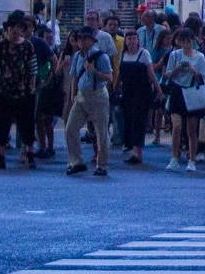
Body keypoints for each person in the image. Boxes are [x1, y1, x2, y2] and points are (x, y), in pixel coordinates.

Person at [0, 11, 41, 170]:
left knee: (27, 124)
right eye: (12, 28)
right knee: (1, 124)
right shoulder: (0, 46)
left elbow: (33, 68)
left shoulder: (27, 46)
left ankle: (30, 153)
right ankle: (0, 155)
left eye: (18, 28)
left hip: (24, 91)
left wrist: (31, 85)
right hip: (4, 91)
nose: (14, 31)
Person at [61, 24, 112, 177]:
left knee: (101, 131)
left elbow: (109, 78)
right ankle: (76, 161)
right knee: (70, 128)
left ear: (92, 40)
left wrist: (94, 71)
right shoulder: (77, 56)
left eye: (85, 39)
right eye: (80, 39)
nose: (82, 41)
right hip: (81, 95)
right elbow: (74, 76)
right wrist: (73, 94)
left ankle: (101, 165)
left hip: (97, 94)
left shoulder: (101, 56)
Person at [160, 25, 205, 173]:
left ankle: (192, 159)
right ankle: (174, 157)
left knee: (191, 129)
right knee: (176, 127)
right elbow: (167, 75)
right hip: (177, 91)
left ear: (193, 41)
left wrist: (193, 70)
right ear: (179, 41)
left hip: (192, 92)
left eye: (189, 41)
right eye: (183, 41)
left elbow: (203, 77)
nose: (186, 44)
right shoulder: (174, 55)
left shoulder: (200, 57)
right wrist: (177, 69)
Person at [116, 28, 155, 166]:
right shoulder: (123, 54)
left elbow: (151, 73)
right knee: (129, 120)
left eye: (134, 38)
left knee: (139, 121)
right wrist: (115, 87)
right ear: (125, 41)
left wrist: (158, 89)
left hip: (142, 92)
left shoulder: (144, 54)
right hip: (127, 92)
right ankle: (133, 149)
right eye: (129, 38)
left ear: (138, 40)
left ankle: (138, 152)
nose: (131, 41)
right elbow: (120, 74)